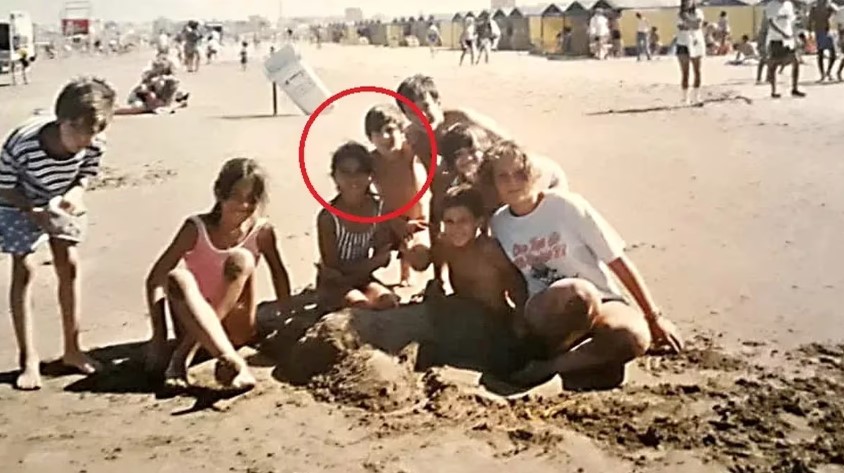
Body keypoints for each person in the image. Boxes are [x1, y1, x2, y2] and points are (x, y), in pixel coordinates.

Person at [480, 141, 684, 388]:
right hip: (546, 308)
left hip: (602, 300)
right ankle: (565, 354)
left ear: (534, 174)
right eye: (503, 176)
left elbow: (616, 260)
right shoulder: (500, 224)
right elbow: (514, 280)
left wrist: (653, 317)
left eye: (520, 174)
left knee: (633, 337)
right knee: (578, 292)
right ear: (492, 182)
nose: (513, 182)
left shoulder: (568, 206)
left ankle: (552, 366)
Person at [0, 77, 117, 390]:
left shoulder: (93, 141)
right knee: (24, 268)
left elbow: (86, 173)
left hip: (61, 194)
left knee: (69, 263)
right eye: (78, 132)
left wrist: (76, 194)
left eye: (93, 133)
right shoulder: (21, 144)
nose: (85, 141)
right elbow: (4, 185)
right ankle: (28, 357)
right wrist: (32, 212)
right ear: (62, 120)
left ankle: (72, 349)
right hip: (17, 198)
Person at [144, 158, 292, 390]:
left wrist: (286, 320)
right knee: (177, 278)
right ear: (220, 193)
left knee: (241, 259)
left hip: (235, 326)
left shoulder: (262, 231)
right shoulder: (196, 228)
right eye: (236, 196)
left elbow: (279, 275)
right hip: (191, 322)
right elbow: (155, 280)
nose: (243, 205)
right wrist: (158, 337)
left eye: (251, 199)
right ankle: (231, 361)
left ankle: (183, 356)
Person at [316, 143, 399, 311]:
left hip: (363, 279)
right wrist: (372, 263)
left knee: (388, 302)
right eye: (346, 173)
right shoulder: (329, 217)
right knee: (359, 305)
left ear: (370, 175)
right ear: (335, 176)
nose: (353, 179)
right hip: (334, 285)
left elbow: (384, 257)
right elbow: (334, 270)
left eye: (360, 172)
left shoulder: (378, 209)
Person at [424, 184, 526, 316]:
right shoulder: (447, 244)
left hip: (494, 317)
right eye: (449, 222)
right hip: (463, 312)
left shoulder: (489, 250)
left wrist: (520, 317)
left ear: (478, 222)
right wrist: (415, 251)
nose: (456, 228)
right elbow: (429, 260)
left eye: (463, 221)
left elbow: (515, 283)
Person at [365, 104, 431, 287]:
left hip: (415, 219)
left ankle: (406, 271)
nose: (385, 137)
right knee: (369, 246)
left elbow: (423, 198)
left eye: (390, 130)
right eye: (377, 133)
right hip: (386, 219)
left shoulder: (411, 155)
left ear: (402, 131)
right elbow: (368, 195)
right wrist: (394, 222)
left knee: (420, 257)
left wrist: (413, 225)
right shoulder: (372, 162)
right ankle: (361, 277)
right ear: (370, 138)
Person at [766, 0, 806, 98]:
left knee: (795, 61)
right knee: (774, 65)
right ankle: (774, 90)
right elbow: (771, 23)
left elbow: (791, 22)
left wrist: (795, 35)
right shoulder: (772, 5)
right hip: (776, 39)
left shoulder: (788, 5)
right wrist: (782, 33)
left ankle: (794, 88)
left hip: (789, 39)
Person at [676, 0, 706, 105]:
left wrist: (687, 21)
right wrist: (691, 23)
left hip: (696, 43)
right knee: (685, 73)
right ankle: (685, 98)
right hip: (683, 43)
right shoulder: (679, 14)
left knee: (697, 71)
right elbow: (681, 27)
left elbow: (698, 25)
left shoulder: (698, 12)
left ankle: (696, 96)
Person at [808, 0, 838, 81]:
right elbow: (810, 20)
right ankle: (822, 74)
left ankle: (828, 72)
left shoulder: (829, 5)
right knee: (820, 53)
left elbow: (836, 12)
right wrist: (810, 31)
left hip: (829, 31)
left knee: (833, 54)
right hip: (819, 31)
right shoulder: (814, 7)